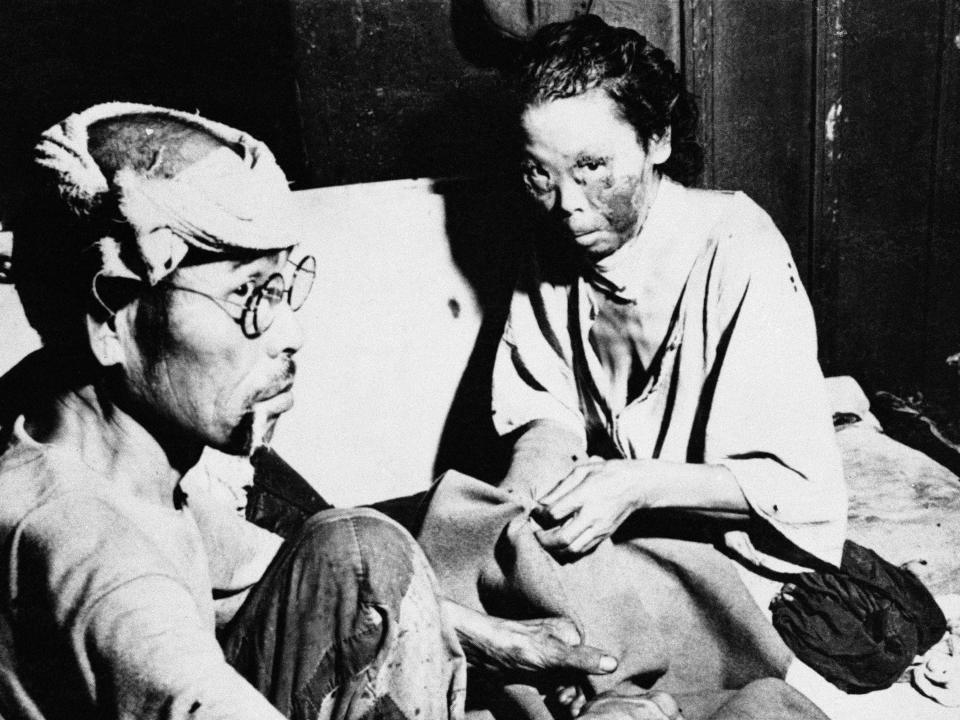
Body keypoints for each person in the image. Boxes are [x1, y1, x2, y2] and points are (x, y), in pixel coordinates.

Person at [0, 102, 619, 720]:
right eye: (247, 294)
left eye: (281, 286)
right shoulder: (99, 560)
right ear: (109, 319)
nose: (287, 332)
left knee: (357, 551)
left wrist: (497, 642)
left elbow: (250, 561)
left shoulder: (81, 441)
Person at [492, 15, 847, 585]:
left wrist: (633, 484)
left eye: (591, 166)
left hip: (730, 541)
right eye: (540, 173)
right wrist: (519, 494)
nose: (566, 204)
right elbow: (547, 407)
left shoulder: (736, 247)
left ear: (658, 140)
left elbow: (798, 491)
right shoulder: (553, 240)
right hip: (626, 522)